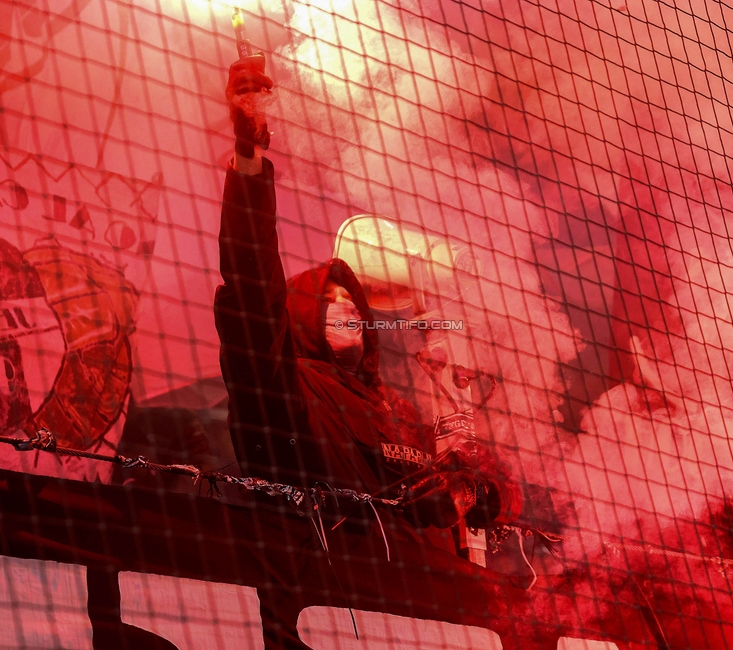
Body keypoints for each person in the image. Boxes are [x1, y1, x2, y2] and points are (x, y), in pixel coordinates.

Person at [213, 55, 520, 530]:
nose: (347, 307)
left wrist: (468, 490)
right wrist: (248, 155)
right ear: (298, 317)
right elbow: (252, 287)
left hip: (422, 593)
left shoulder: (396, 409)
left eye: (351, 299)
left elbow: (486, 491)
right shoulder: (283, 385)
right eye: (330, 301)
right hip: (333, 579)